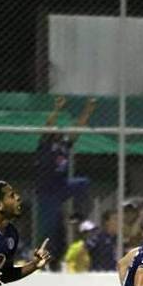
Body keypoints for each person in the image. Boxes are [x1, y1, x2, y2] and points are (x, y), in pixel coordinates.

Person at [35, 95, 96, 271]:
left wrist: (88, 110)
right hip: (47, 192)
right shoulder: (46, 145)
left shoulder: (64, 145)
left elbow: (77, 129)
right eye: (55, 130)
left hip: (61, 186)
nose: (58, 130)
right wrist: (57, 109)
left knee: (83, 183)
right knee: (50, 229)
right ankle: (42, 260)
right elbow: (47, 126)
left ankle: (77, 214)